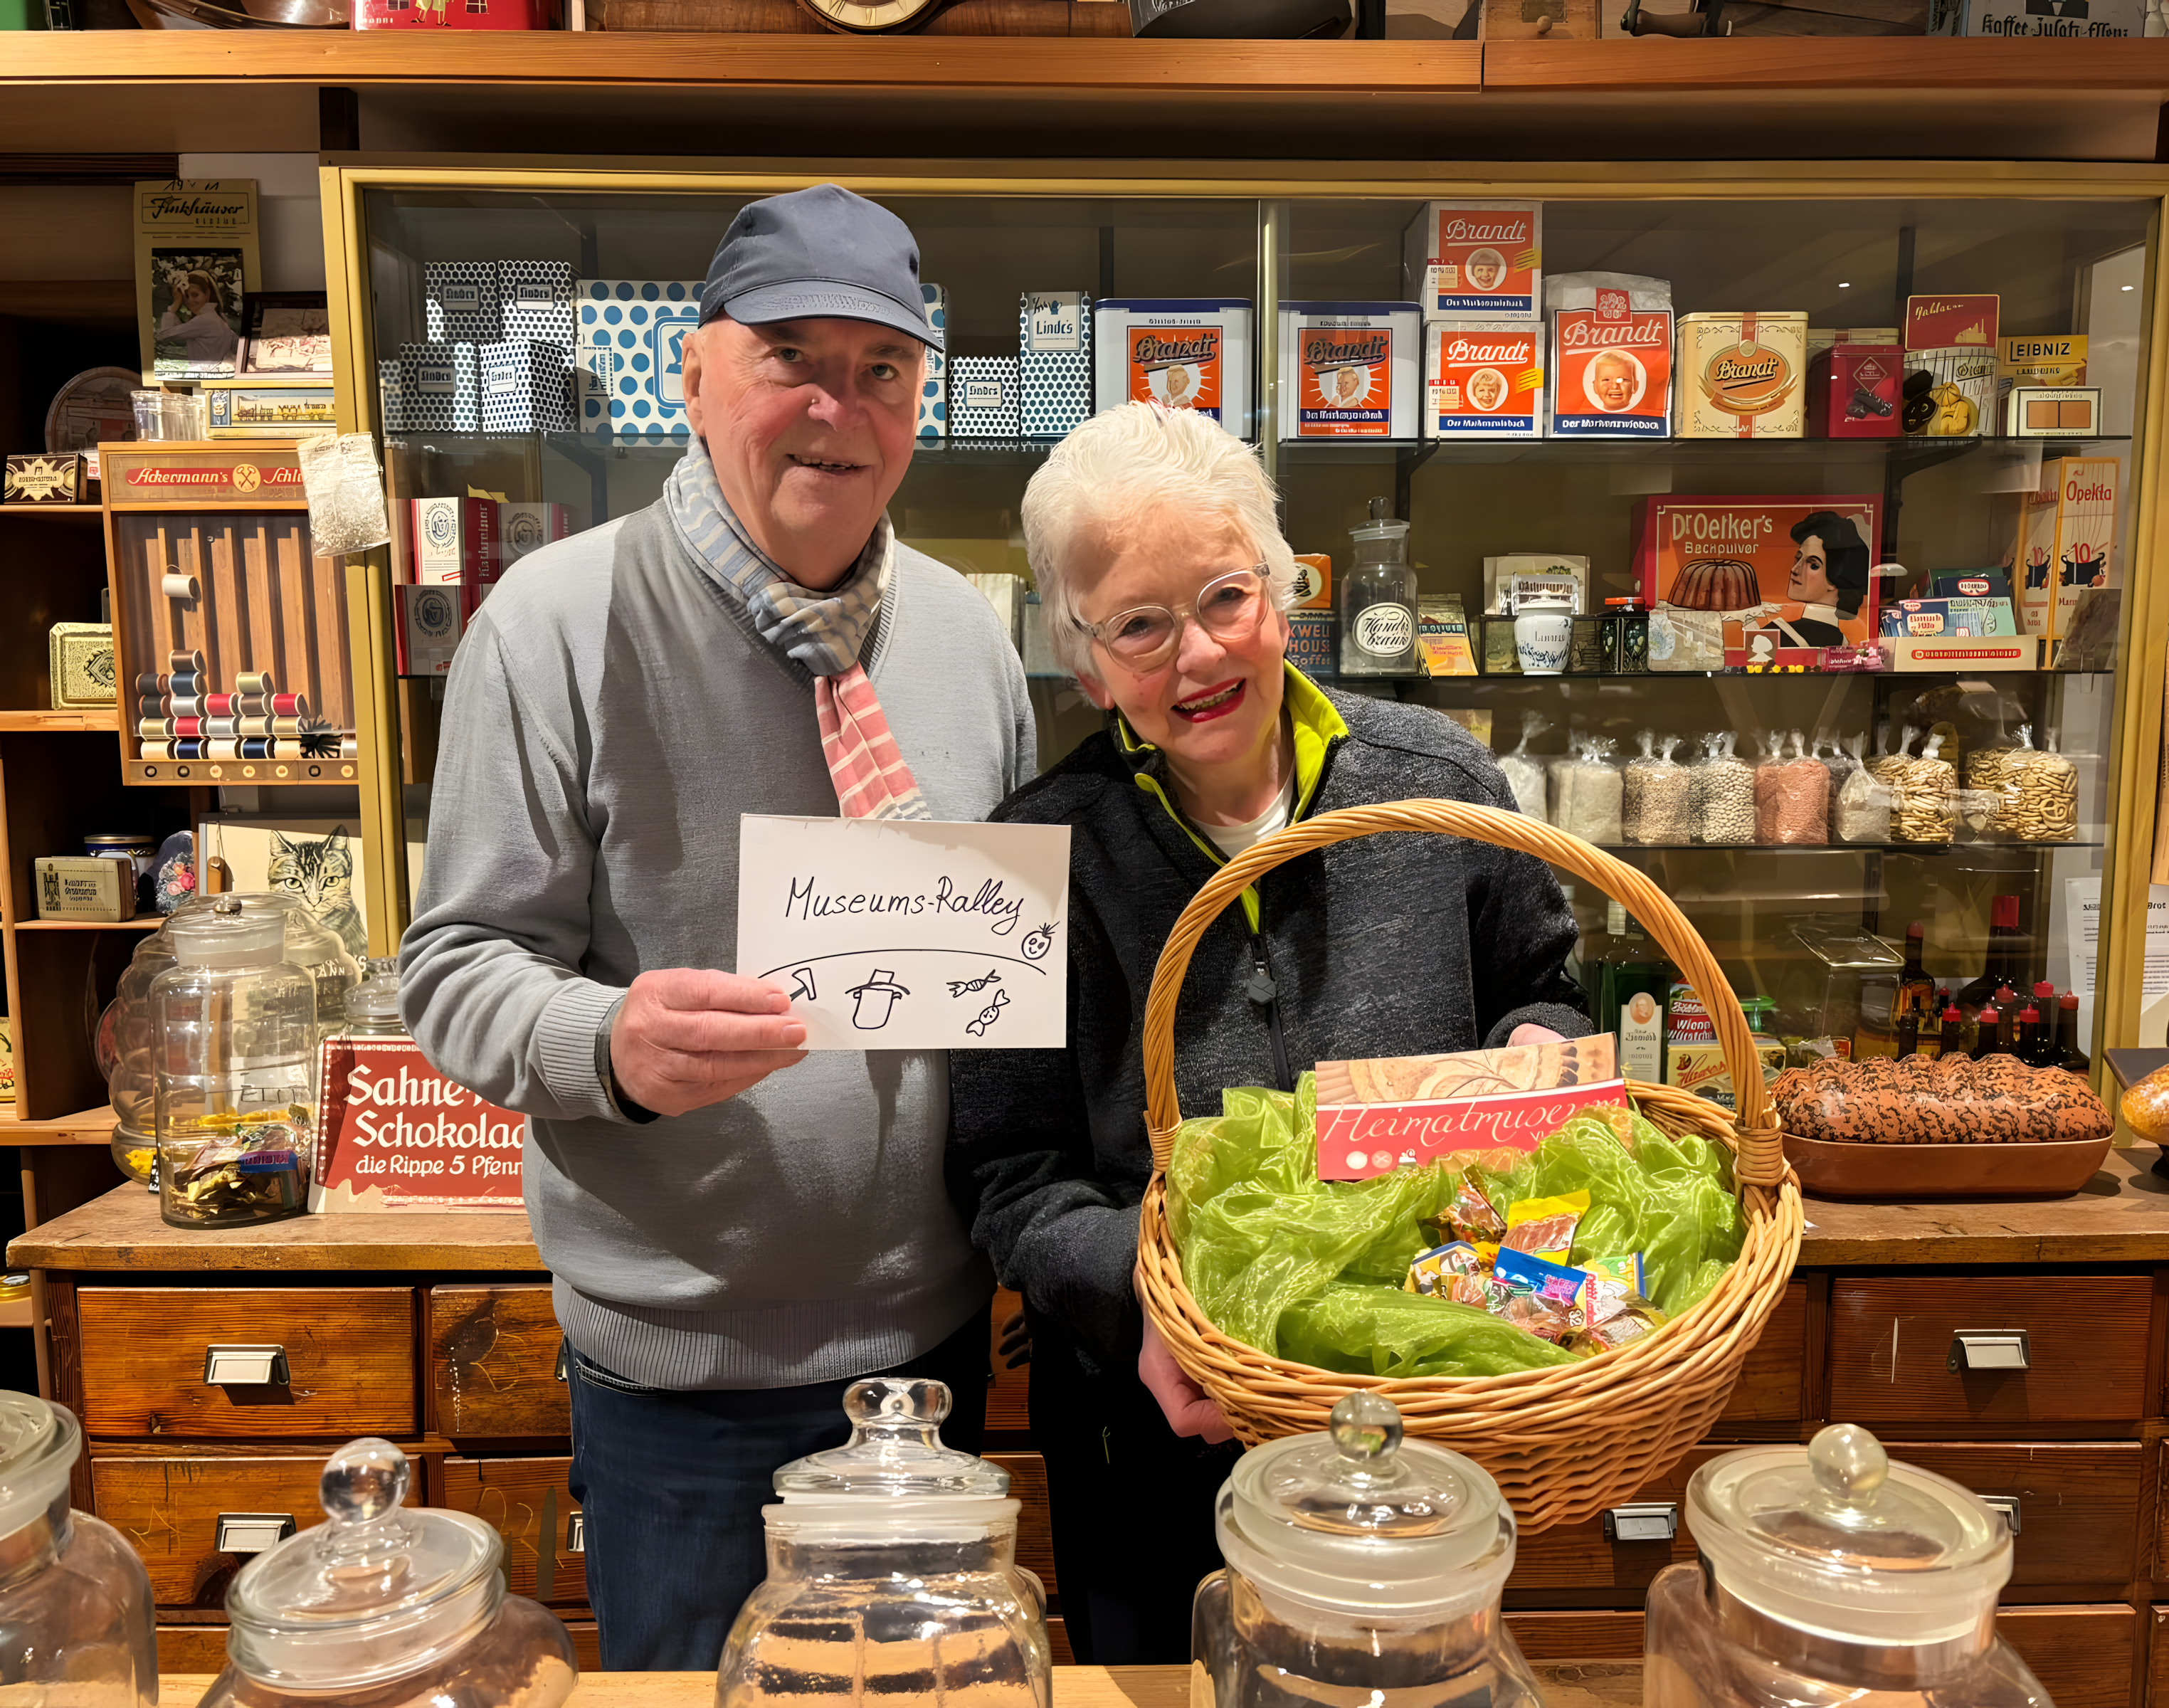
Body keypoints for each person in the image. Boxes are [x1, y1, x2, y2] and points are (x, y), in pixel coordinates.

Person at [399, 185, 1035, 1672]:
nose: (837, 408)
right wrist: (605, 1039)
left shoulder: (965, 637)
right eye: (791, 359)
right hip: (676, 1385)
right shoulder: (551, 621)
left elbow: (1001, 965)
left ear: (920, 405)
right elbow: (453, 967)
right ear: (692, 375)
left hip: (929, 1360)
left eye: (880, 370)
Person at [946, 402, 1590, 1665]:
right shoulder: (1038, 854)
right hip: (1159, 1428)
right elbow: (1007, 1179)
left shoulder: (1439, 781)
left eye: (1225, 597)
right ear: (1085, 663)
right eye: (1139, 624)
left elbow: (1547, 985)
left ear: (1285, 596)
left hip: (1430, 1392)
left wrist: (1540, 1049)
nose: (1196, 655)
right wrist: (1145, 1297)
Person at [1766, 509, 1870, 650]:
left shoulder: (1774, 636)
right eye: (1798, 558)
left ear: (1836, 580)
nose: (1795, 570)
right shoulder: (1845, 643)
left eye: (1813, 565)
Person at [154, 269, 236, 363]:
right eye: (186, 296)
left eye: (195, 295)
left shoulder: (205, 321)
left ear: (207, 294)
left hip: (204, 374)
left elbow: (163, 336)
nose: (190, 301)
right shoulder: (217, 317)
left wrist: (174, 307)